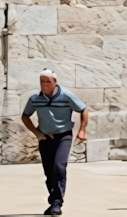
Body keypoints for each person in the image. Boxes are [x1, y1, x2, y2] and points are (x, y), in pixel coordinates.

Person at [21, 69, 89, 217]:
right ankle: (53, 201)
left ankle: (57, 202)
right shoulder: (35, 99)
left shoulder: (66, 96)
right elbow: (25, 116)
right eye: (42, 82)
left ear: (55, 82)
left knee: (59, 166)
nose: (44, 85)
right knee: (49, 171)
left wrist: (82, 129)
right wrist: (37, 133)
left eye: (48, 81)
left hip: (63, 136)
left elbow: (83, 109)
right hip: (45, 137)